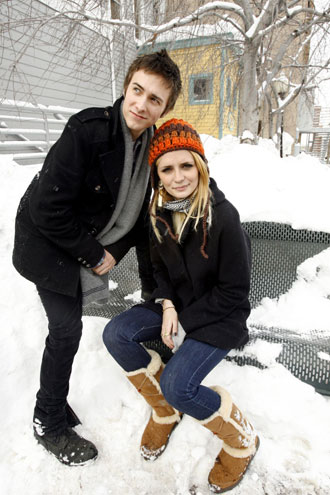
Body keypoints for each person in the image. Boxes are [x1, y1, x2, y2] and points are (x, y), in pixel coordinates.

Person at [12, 50, 182, 466]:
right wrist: (94, 255)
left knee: (66, 330)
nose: (141, 104)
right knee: (66, 331)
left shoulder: (150, 150)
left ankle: (53, 403)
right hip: (45, 241)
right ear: (126, 87)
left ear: (165, 107)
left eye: (154, 99)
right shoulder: (88, 130)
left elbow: (145, 227)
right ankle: (47, 420)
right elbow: (47, 209)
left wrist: (156, 293)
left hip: (84, 238)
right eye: (137, 91)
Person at [103, 119, 259, 493]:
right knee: (116, 334)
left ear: (200, 165)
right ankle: (164, 411)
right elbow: (160, 269)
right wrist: (169, 305)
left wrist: (185, 320)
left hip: (220, 315)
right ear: (157, 176)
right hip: (179, 307)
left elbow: (234, 292)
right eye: (167, 169)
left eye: (186, 165)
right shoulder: (160, 213)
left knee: (178, 384)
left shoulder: (224, 217)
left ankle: (241, 440)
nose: (178, 177)